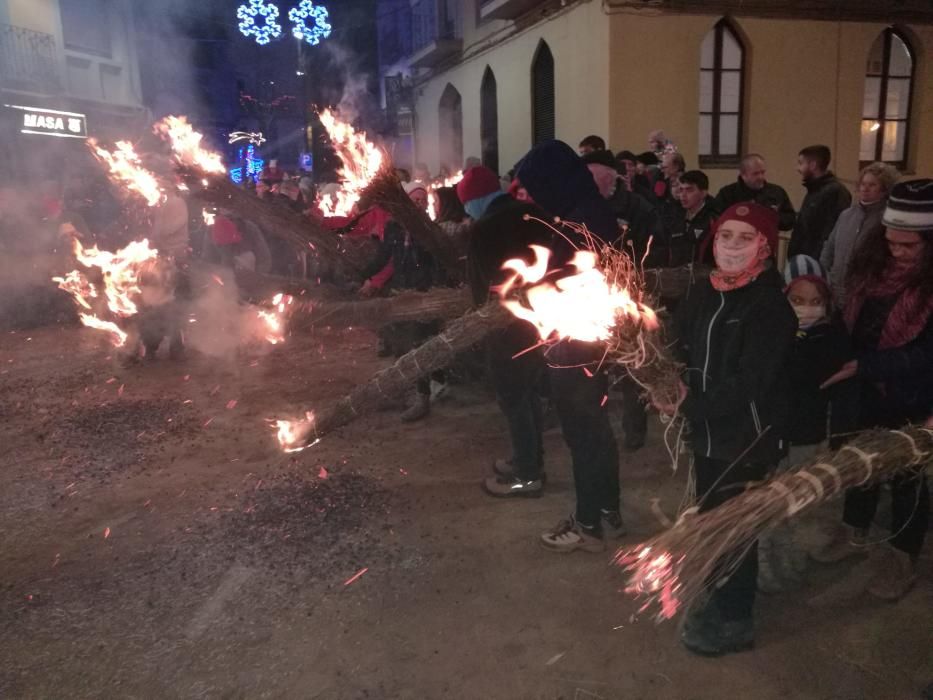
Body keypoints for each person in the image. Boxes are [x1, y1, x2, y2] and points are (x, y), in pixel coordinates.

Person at [658, 202, 797, 656]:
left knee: (737, 528)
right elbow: (677, 341)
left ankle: (737, 618)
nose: (732, 246)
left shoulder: (770, 306)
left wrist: (689, 404)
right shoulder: (705, 292)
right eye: (725, 236)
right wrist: (658, 369)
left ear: (764, 246)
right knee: (714, 518)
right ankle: (720, 593)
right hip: (707, 434)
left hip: (746, 438)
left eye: (745, 237)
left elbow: (751, 384)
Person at [813, 179, 933, 600]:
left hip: (915, 395)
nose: (897, 251)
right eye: (892, 240)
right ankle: (854, 530)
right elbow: (853, 316)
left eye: (910, 246)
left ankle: (903, 556)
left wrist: (866, 364)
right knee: (859, 460)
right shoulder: (873, 262)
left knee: (907, 477)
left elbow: (926, 354)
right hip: (863, 386)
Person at [515, 140, 625, 551]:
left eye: (538, 187)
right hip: (591, 338)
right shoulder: (590, 210)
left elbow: (571, 278)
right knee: (597, 431)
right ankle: (608, 511)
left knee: (583, 434)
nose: (536, 197)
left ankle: (587, 524)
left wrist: (533, 291)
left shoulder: (581, 221)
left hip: (578, 341)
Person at [757, 255, 856, 594]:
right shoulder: (770, 333)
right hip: (769, 435)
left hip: (805, 437)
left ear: (827, 304)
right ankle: (765, 568)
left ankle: (791, 562)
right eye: (797, 300)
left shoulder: (831, 335)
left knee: (795, 504)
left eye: (815, 301)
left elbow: (817, 378)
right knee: (765, 504)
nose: (807, 308)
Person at [458, 165, 551, 497]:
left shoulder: (485, 228)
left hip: (504, 326)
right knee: (529, 395)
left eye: (467, 204)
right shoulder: (530, 212)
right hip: (540, 320)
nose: (466, 211)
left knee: (513, 398)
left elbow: (489, 286)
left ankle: (527, 475)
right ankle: (530, 459)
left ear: (476, 200)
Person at [361, 182, 447, 422]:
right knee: (411, 342)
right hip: (402, 291)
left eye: (422, 199)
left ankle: (424, 395)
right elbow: (384, 257)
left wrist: (436, 292)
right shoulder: (393, 227)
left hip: (424, 293)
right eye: (414, 199)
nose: (418, 203)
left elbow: (438, 263)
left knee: (422, 341)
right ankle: (426, 388)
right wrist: (364, 275)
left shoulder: (430, 229)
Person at [819, 162, 899, 307]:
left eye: (872, 185)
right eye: (863, 184)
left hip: (865, 293)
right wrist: (823, 274)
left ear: (884, 188)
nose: (865, 188)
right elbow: (830, 247)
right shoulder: (846, 215)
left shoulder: (887, 219)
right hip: (836, 288)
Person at [788, 145, 852, 258]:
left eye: (800, 163)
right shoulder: (814, 189)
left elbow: (831, 231)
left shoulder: (835, 192)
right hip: (805, 258)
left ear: (812, 165)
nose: (797, 168)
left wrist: (818, 258)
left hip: (816, 262)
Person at [713, 154, 796, 231]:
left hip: (767, 241)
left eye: (762, 172)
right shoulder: (727, 193)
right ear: (743, 175)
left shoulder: (776, 192)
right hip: (736, 241)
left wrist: (771, 218)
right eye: (755, 174)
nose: (760, 177)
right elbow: (716, 218)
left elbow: (790, 219)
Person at [655, 169, 718, 269]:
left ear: (703, 193)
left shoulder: (714, 219)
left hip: (702, 277)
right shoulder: (673, 215)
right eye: (681, 190)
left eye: (689, 190)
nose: (683, 195)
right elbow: (663, 248)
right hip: (674, 276)